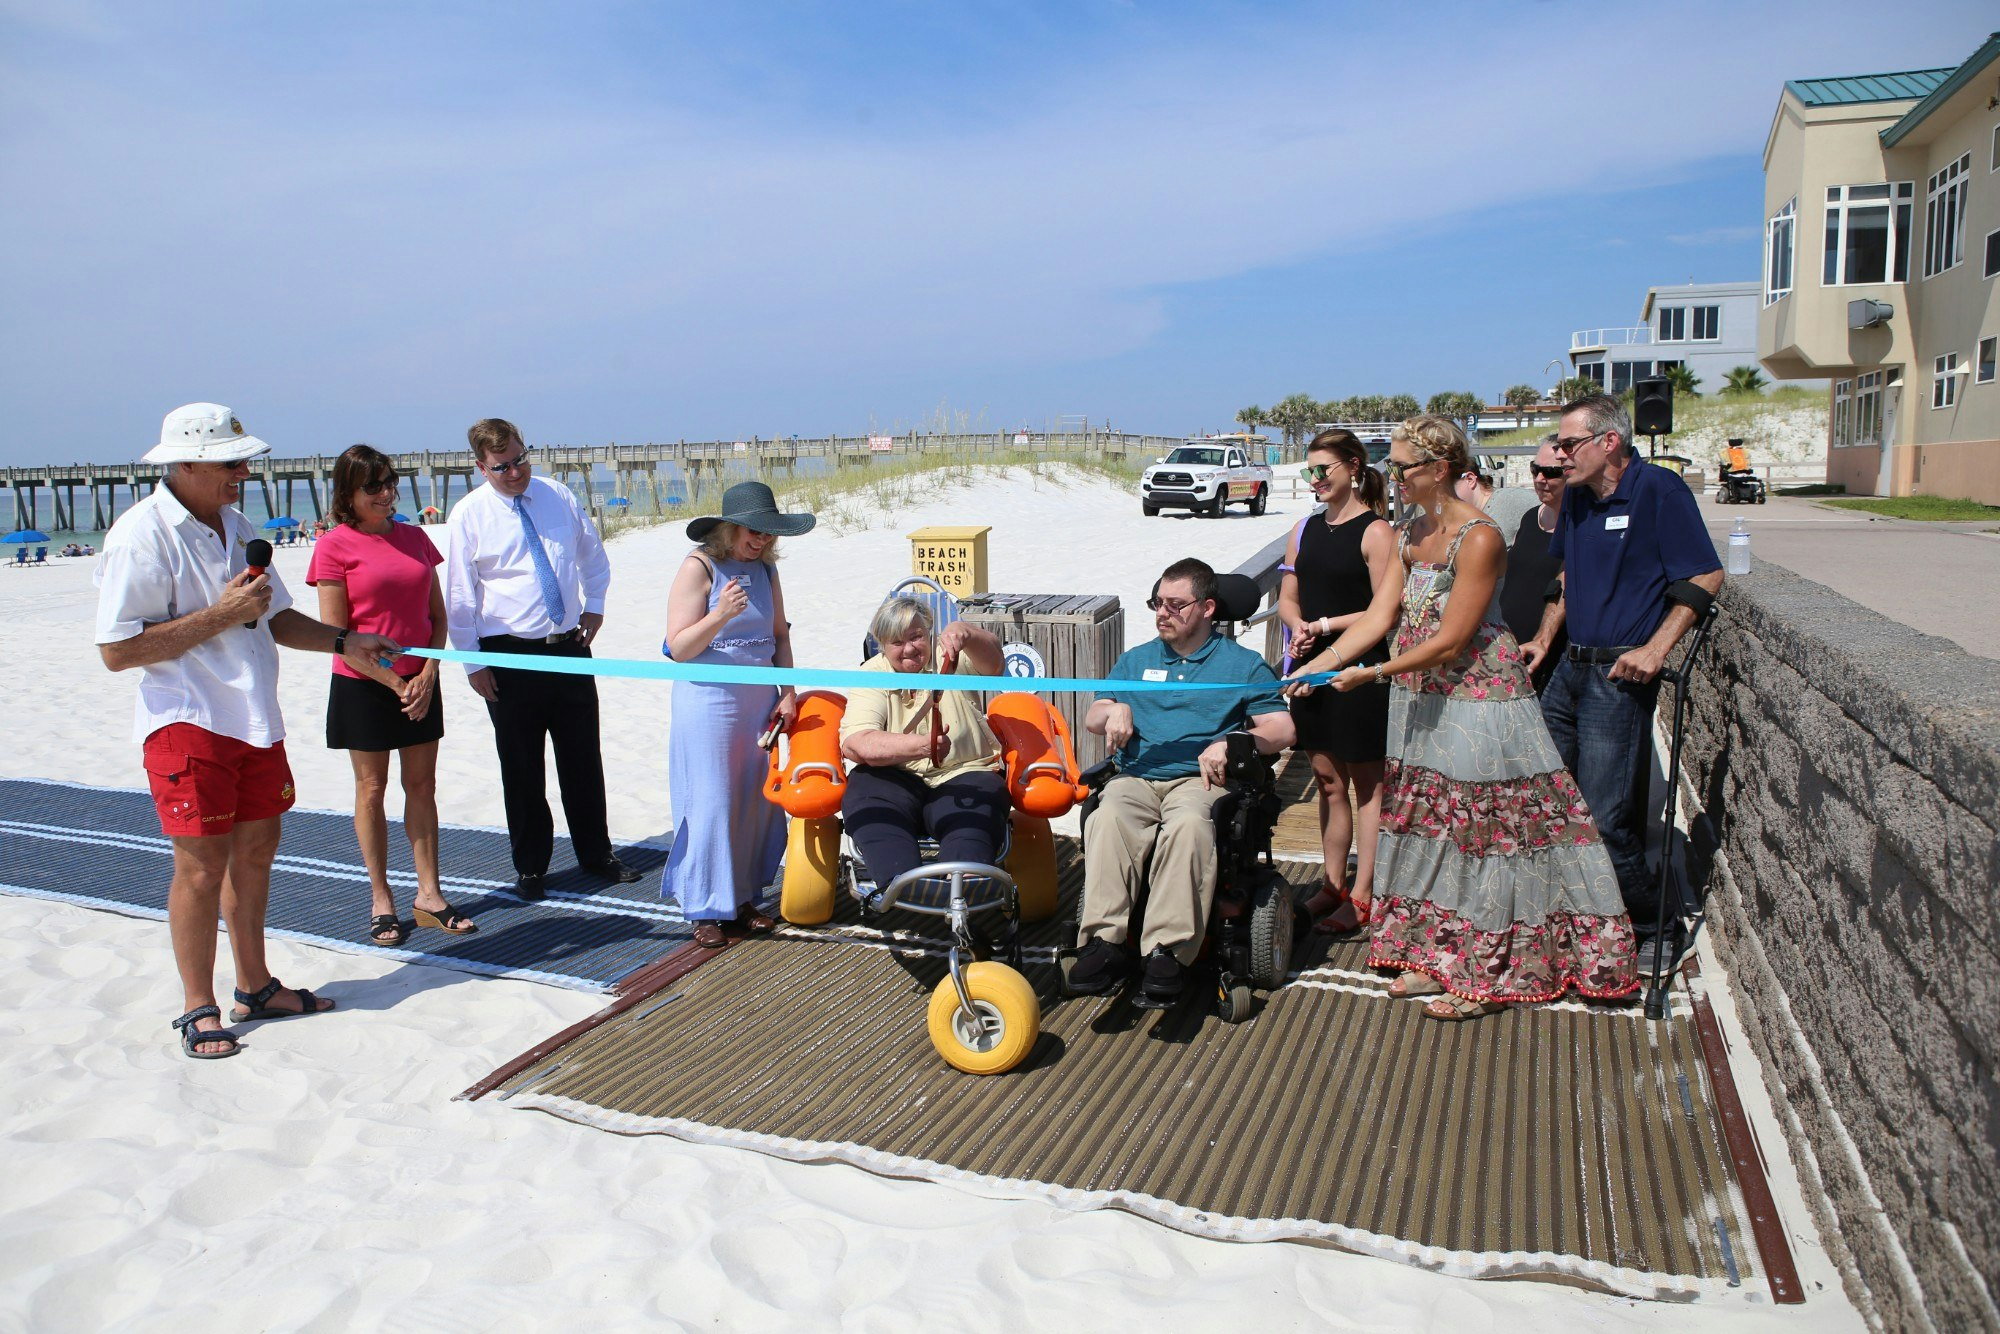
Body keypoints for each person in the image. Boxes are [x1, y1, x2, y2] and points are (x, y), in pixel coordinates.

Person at [1288, 415, 1637, 1022]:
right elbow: (1379, 617)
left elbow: (1452, 639)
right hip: (1421, 697)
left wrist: (1371, 674)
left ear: (1440, 469)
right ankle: (1434, 952)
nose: (1391, 476)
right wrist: (1319, 665)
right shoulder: (1405, 533)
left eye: (1402, 466)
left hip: (1480, 700)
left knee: (1484, 834)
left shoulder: (1479, 537)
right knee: (1430, 824)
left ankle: (1485, 974)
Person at [95, 403, 403, 1059]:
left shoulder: (235, 524)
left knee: (258, 852)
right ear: (186, 463)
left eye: (244, 460)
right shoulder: (141, 535)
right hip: (187, 722)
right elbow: (117, 650)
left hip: (254, 720)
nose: (243, 473)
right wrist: (221, 613)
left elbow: (278, 619)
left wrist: (347, 642)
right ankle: (197, 1008)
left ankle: (256, 986)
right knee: (200, 870)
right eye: (230, 463)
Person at [1523, 393, 1724, 974]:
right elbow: (1564, 579)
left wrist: (1656, 649)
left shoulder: (1660, 490)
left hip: (1617, 676)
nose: (1559, 456)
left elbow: (1706, 573)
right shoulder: (1579, 501)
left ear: (1608, 442)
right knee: (1548, 803)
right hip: (1568, 673)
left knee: (1607, 818)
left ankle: (1655, 923)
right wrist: (1542, 637)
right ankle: (1582, 916)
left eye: (1567, 444)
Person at [1069, 558, 1296, 1004]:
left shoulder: (1243, 665)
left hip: (1201, 780)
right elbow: (1096, 714)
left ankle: (1165, 951)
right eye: (1158, 603)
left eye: (1176, 605)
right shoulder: (1137, 659)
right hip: (1138, 775)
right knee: (1108, 815)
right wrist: (1115, 710)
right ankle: (1105, 943)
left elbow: (1283, 730)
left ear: (1208, 607)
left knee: (1190, 825)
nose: (1162, 614)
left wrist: (1235, 741)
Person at [444, 418, 640, 900]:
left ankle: (596, 853)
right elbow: (458, 596)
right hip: (508, 654)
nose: (515, 472)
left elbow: (593, 556)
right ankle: (532, 867)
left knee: (582, 758)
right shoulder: (468, 515)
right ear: (481, 467)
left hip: (569, 645)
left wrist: (594, 607)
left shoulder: (559, 496)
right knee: (522, 766)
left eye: (521, 459)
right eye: (502, 466)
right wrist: (474, 663)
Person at [309, 444, 473, 947]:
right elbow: (337, 634)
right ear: (349, 494)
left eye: (389, 482)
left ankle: (430, 895)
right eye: (373, 486)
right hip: (365, 685)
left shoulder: (416, 538)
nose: (386, 493)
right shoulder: (334, 546)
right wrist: (397, 683)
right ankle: (382, 898)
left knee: (423, 787)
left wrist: (427, 673)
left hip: (420, 680)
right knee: (371, 790)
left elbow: (437, 617)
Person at [661, 482, 812, 948]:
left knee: (754, 799)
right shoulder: (698, 566)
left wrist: (787, 692)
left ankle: (742, 897)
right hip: (708, 699)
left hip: (758, 701)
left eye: (769, 533)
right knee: (711, 800)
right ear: (729, 528)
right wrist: (721, 614)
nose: (762, 540)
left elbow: (780, 635)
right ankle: (705, 906)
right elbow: (678, 648)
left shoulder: (766, 571)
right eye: (754, 531)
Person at [1276, 429, 1394, 935]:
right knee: (1328, 784)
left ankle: (1363, 893)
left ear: (1352, 467)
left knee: (1368, 787)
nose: (1315, 480)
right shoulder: (1303, 530)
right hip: (1310, 671)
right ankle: (1332, 884)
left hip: (1358, 670)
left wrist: (1322, 630)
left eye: (1323, 470)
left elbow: (1383, 610)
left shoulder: (1376, 531)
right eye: (1309, 471)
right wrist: (1298, 627)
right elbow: (1287, 596)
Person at [839, 598, 1010, 887]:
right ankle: (901, 882)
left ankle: (964, 880)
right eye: (896, 642)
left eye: (916, 637)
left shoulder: (951, 656)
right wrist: (922, 746)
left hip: (964, 770)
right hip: (895, 775)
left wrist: (968, 633)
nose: (909, 648)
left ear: (929, 632)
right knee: (866, 794)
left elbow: (995, 664)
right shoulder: (872, 674)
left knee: (977, 807)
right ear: (882, 644)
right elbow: (857, 742)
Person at [1498, 436, 1569, 694]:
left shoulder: (1580, 525)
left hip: (1550, 655)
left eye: (1551, 473)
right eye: (1535, 469)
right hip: (1508, 649)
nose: (1540, 479)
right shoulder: (1530, 517)